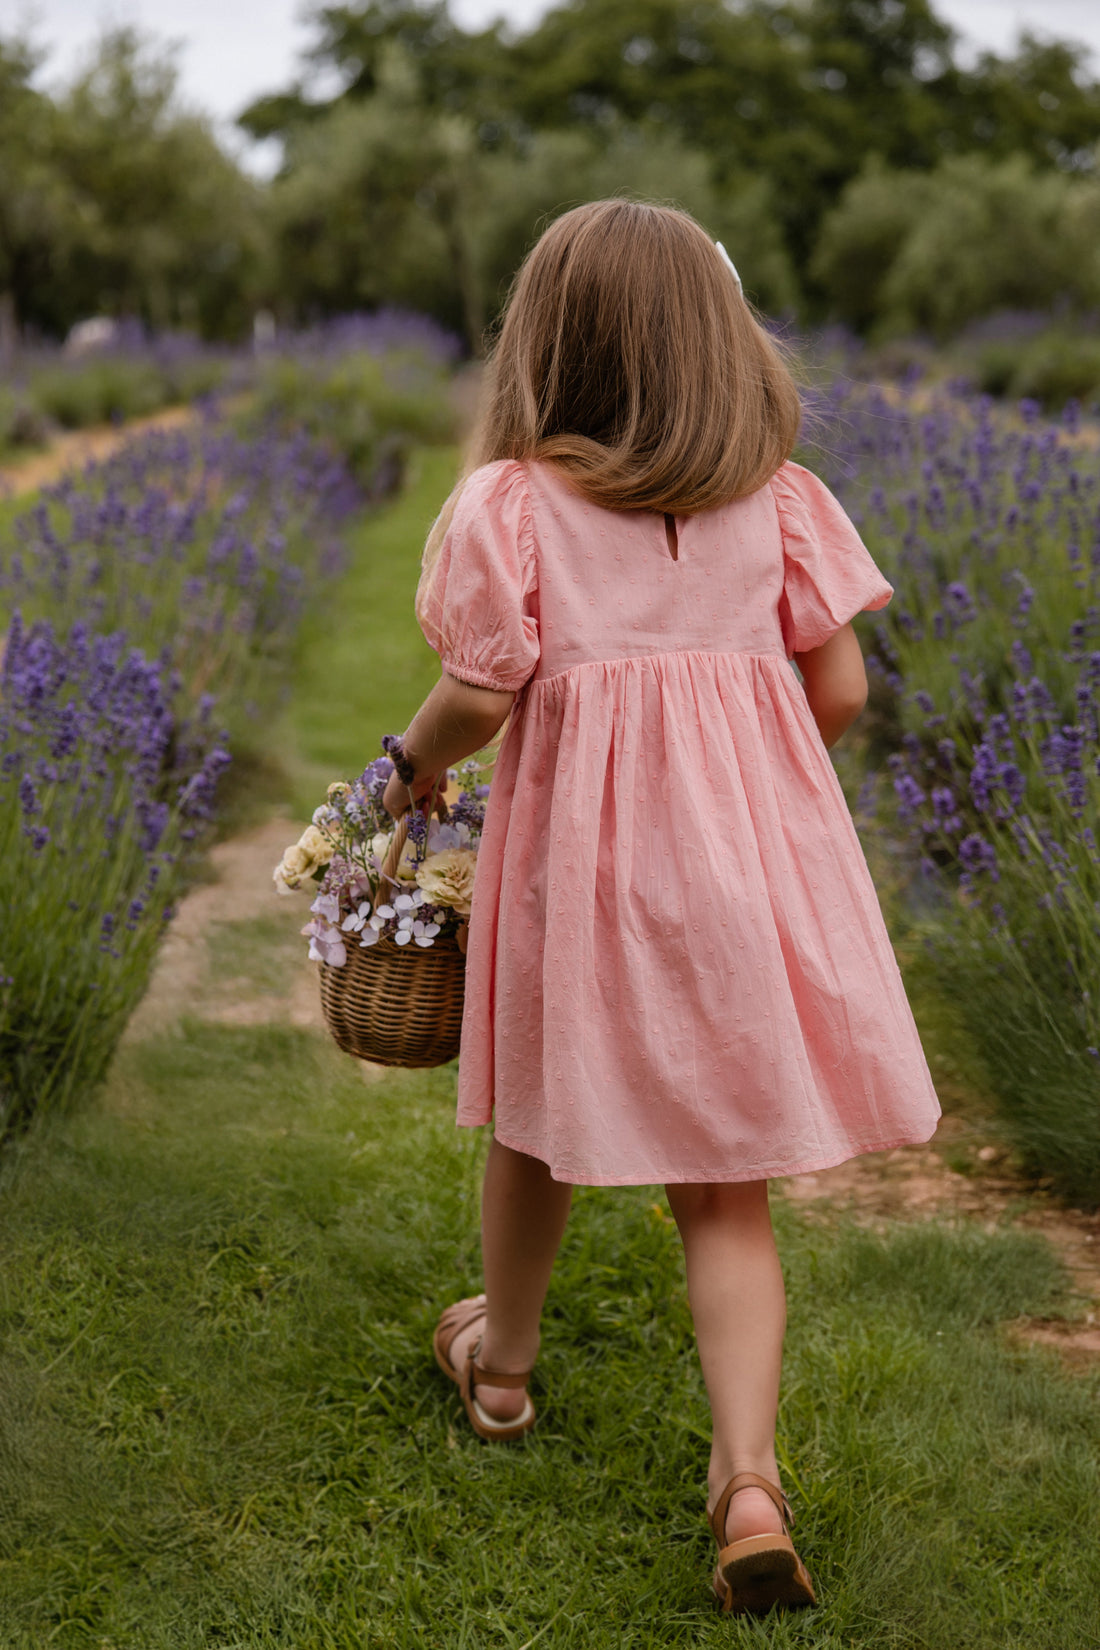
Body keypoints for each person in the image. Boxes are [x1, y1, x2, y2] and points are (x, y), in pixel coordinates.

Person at [380, 199, 940, 1616]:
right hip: (739, 871)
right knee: (726, 1183)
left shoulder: (515, 505)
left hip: (580, 876)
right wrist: (744, 770)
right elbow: (841, 689)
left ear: (550, 345)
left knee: (538, 1120)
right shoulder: (783, 500)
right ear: (717, 340)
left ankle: (502, 1372)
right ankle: (748, 1481)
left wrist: (407, 769)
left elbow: (478, 695)